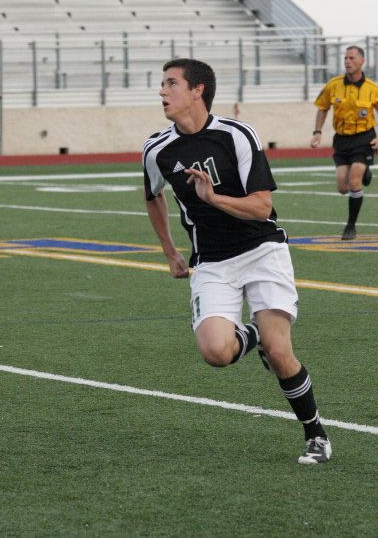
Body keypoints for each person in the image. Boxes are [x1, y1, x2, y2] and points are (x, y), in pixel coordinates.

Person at [143, 58, 331, 465]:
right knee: (216, 352)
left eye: (171, 83)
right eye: (161, 84)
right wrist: (171, 252)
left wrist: (215, 199)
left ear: (198, 90)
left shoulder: (237, 136)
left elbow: (263, 207)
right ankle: (255, 335)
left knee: (281, 353)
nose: (162, 91)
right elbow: (152, 196)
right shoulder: (157, 149)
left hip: (262, 249)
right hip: (211, 260)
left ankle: (315, 433)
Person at [311, 46, 378, 240]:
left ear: (362, 61)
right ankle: (366, 171)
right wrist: (317, 132)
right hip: (342, 140)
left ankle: (350, 226)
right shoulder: (334, 85)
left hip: (364, 138)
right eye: (345, 58)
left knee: (354, 181)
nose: (347, 61)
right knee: (342, 187)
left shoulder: (372, 89)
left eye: (352, 58)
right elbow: (322, 108)